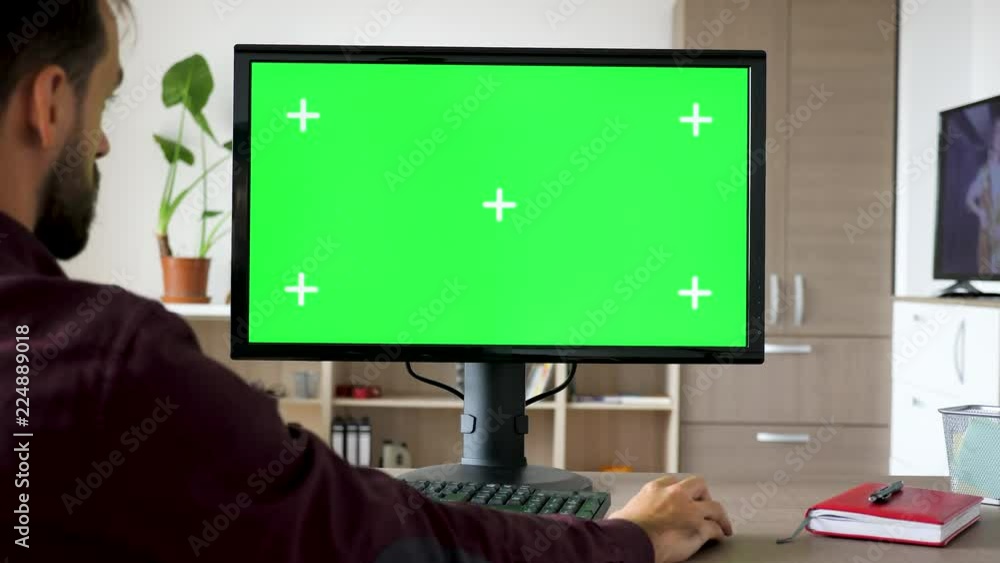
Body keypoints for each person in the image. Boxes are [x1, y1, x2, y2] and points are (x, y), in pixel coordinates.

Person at [0, 2, 732, 561]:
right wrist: (630, 537)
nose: (100, 138)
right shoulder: (96, 359)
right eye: (104, 102)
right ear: (51, 102)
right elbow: (375, 537)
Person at [965, 114, 1000, 274]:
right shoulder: (985, 171)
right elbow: (969, 199)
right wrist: (981, 214)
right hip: (989, 240)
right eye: (998, 132)